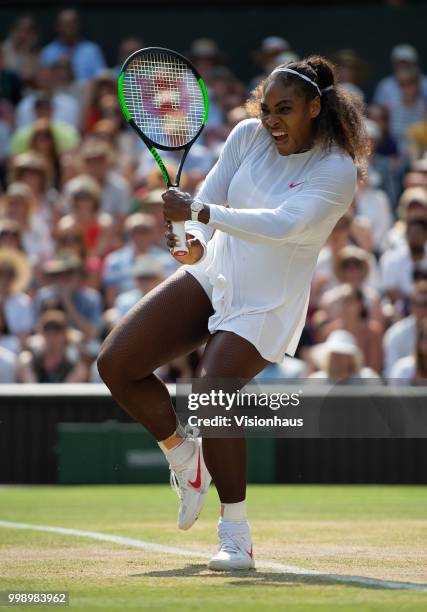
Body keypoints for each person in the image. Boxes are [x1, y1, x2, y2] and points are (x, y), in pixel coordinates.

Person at [98, 55, 368, 571]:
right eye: (266, 108)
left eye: (284, 109)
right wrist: (193, 240)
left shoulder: (336, 169)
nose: (271, 120)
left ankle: (236, 536)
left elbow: (286, 224)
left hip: (267, 302)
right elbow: (211, 197)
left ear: (315, 108)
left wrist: (200, 216)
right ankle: (185, 459)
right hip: (215, 273)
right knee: (116, 363)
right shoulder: (247, 136)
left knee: (213, 389)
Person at [40, 9, 106, 82]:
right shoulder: (48, 51)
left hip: (86, 91)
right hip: (58, 90)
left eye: (73, 23)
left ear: (79, 25)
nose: (70, 27)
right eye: (65, 24)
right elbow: (44, 81)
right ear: (57, 27)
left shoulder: (91, 50)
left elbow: (101, 78)